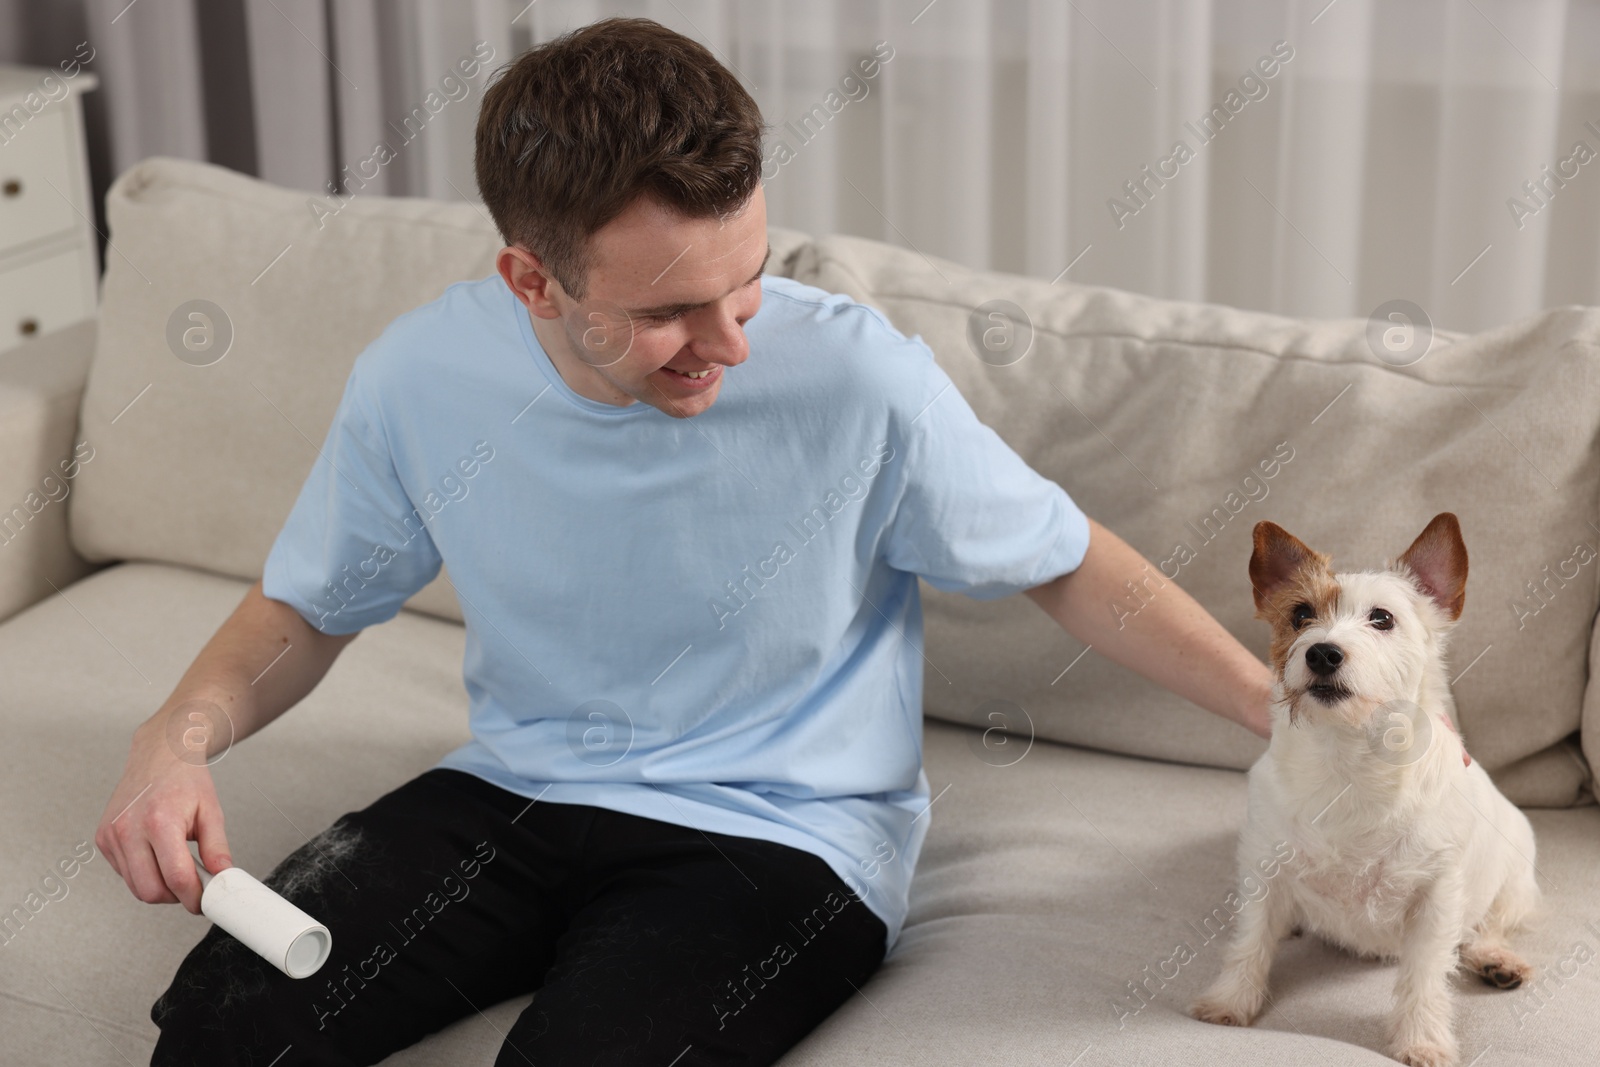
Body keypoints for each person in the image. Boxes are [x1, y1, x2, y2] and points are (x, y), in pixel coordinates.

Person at [96, 16, 1274, 1067]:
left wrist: (1291, 712)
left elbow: (1065, 560)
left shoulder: (859, 378)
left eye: (747, 283)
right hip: (517, 785)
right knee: (222, 1026)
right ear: (531, 281)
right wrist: (173, 738)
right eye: (665, 312)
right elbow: (309, 604)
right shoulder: (422, 376)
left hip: (781, 832)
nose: (730, 343)